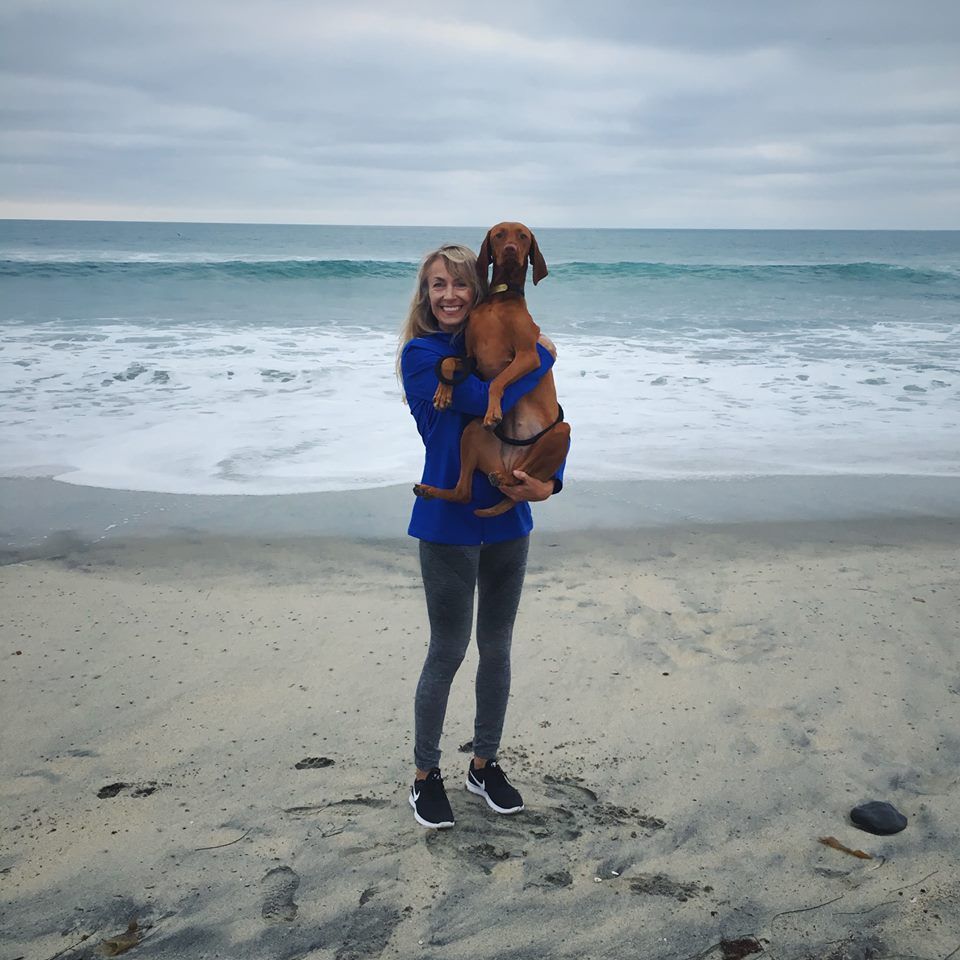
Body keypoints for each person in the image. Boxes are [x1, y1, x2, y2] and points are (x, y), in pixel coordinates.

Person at [398, 243, 564, 829]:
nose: (449, 295)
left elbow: (538, 417)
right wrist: (540, 354)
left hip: (509, 516)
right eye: (438, 285)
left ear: (481, 287)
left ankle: (484, 763)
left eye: (460, 284)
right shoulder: (421, 357)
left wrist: (551, 484)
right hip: (447, 525)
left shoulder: (506, 345)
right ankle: (425, 775)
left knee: (497, 647)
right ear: (426, 294)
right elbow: (488, 397)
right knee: (448, 649)